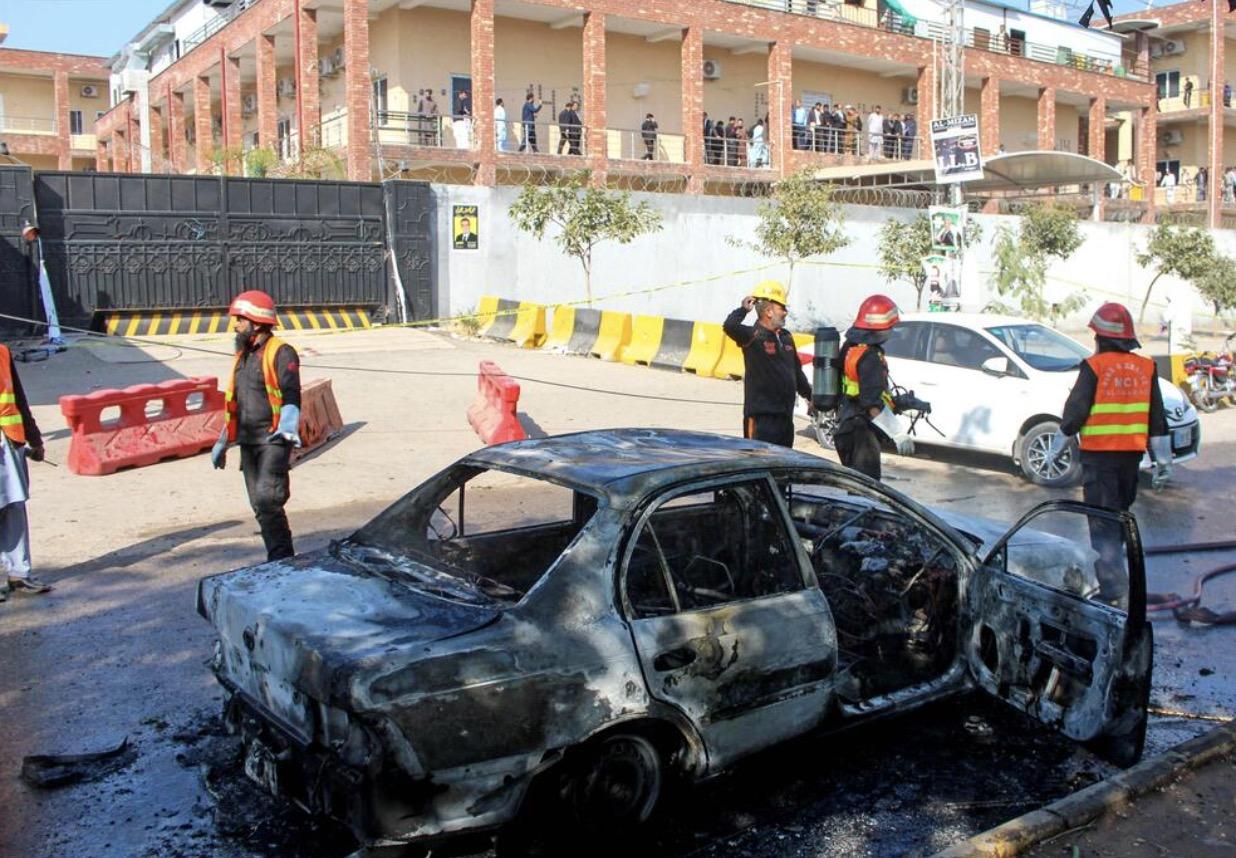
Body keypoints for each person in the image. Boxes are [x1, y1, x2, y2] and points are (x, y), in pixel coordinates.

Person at [1051, 302, 1171, 604]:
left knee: (1102, 525)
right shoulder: (1146, 368)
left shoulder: (1095, 367)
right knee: (1118, 519)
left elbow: (1074, 414)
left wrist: (1055, 449)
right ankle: (1119, 582)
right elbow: (1157, 419)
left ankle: (1114, 592)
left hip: (1099, 460)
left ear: (1100, 337)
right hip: (1130, 461)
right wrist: (1163, 462)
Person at [212, 290, 302, 562]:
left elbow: (291, 394)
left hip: (273, 439)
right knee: (260, 507)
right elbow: (237, 401)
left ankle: (281, 561)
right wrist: (223, 441)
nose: (236, 325)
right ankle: (279, 559)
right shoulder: (244, 355)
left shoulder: (281, 352)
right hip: (248, 441)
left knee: (268, 498)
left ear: (257, 322)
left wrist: (287, 427)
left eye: (240, 319)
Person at [834, 294, 923, 480]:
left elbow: (859, 390)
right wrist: (898, 434)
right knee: (867, 488)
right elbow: (871, 404)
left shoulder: (851, 347)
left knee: (857, 486)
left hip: (847, 426)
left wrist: (899, 403)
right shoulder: (870, 357)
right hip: (861, 434)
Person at [722, 280, 812, 448]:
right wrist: (743, 310)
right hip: (761, 420)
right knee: (758, 461)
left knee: (783, 462)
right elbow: (730, 326)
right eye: (782, 308)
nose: (785, 312)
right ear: (769, 311)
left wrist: (809, 396)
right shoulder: (752, 336)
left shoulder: (786, 337)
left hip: (785, 419)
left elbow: (796, 372)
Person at [0, 343, 48, 602]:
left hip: (9, 441)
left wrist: (34, 438)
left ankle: (19, 573)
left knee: (14, 507)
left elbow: (18, 397)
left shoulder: (2, 352)